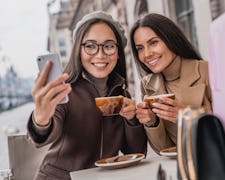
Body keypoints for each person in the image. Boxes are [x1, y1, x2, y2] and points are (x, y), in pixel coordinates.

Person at [27, 11, 147, 179]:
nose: (100, 54)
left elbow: (136, 152)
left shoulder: (121, 93)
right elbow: (42, 137)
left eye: (109, 46)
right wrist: (41, 118)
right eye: (90, 46)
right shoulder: (65, 89)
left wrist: (132, 120)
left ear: (118, 52)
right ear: (78, 51)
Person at [130, 13, 212, 153]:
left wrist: (187, 118)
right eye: (140, 48)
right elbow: (164, 150)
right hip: (181, 170)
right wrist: (152, 123)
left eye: (153, 42)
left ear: (171, 39)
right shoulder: (147, 85)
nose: (147, 54)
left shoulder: (206, 70)